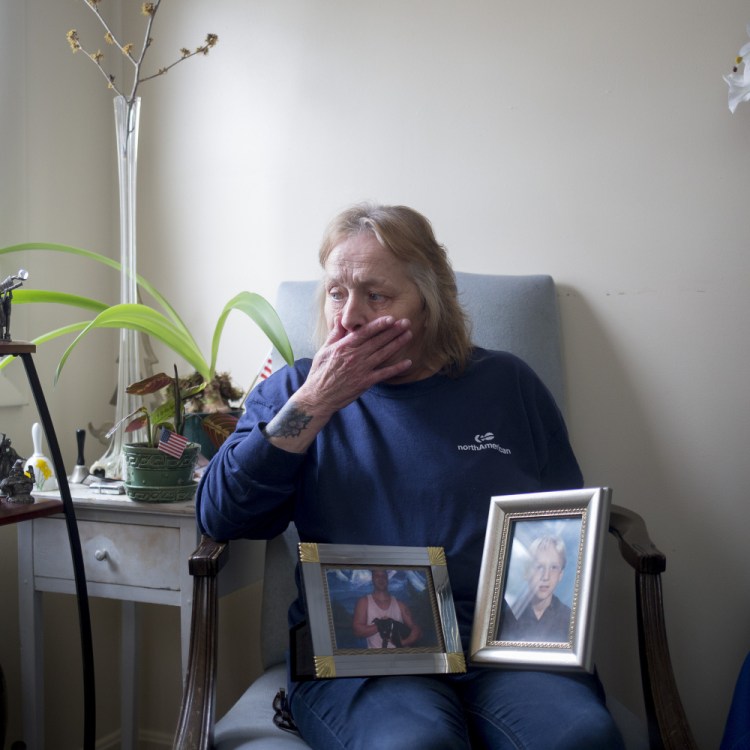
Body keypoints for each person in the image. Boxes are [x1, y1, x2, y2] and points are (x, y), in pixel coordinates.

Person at [197, 203, 624, 749]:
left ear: (430, 302)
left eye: (376, 296)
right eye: (336, 292)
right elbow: (222, 512)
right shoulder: (293, 394)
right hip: (365, 653)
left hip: (505, 650)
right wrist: (318, 402)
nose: (348, 317)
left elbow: (560, 522)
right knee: (414, 745)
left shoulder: (507, 384)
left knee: (582, 738)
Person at [499, 535, 572, 643]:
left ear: (560, 574)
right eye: (539, 567)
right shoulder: (509, 616)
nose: (546, 576)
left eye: (554, 567)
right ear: (527, 572)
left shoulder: (570, 620)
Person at [352, 569, 422, 649]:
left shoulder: (400, 605)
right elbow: (357, 631)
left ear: (387, 579)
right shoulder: (364, 602)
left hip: (401, 657)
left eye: (383, 576)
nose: (381, 579)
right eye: (377, 576)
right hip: (377, 659)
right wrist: (382, 625)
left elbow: (417, 630)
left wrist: (403, 642)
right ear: (372, 579)